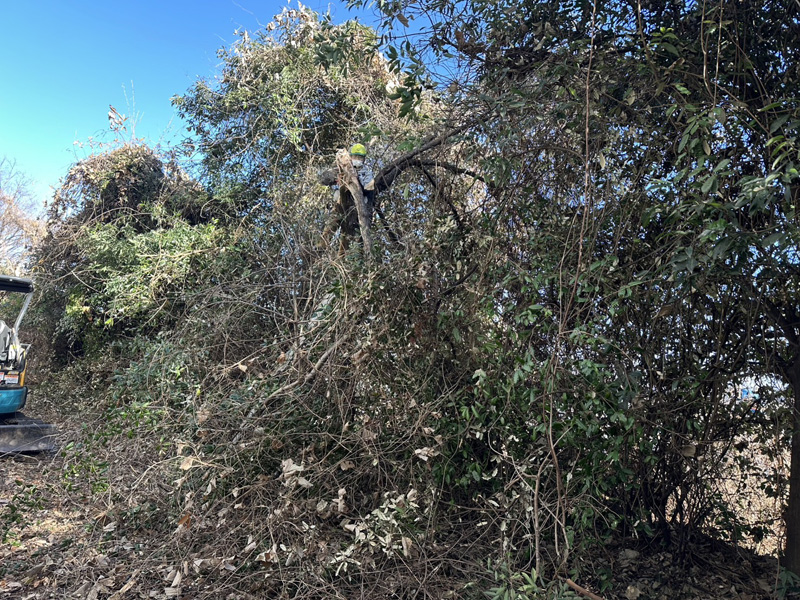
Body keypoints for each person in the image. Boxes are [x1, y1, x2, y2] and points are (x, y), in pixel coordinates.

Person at [319, 144, 375, 253]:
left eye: (360, 158)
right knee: (332, 223)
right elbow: (323, 179)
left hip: (355, 209)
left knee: (348, 239)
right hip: (340, 203)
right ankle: (321, 245)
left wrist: (356, 181)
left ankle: (344, 257)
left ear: (364, 159)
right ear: (350, 157)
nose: (357, 160)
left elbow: (370, 191)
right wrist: (335, 175)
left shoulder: (367, 173)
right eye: (355, 157)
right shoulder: (340, 168)